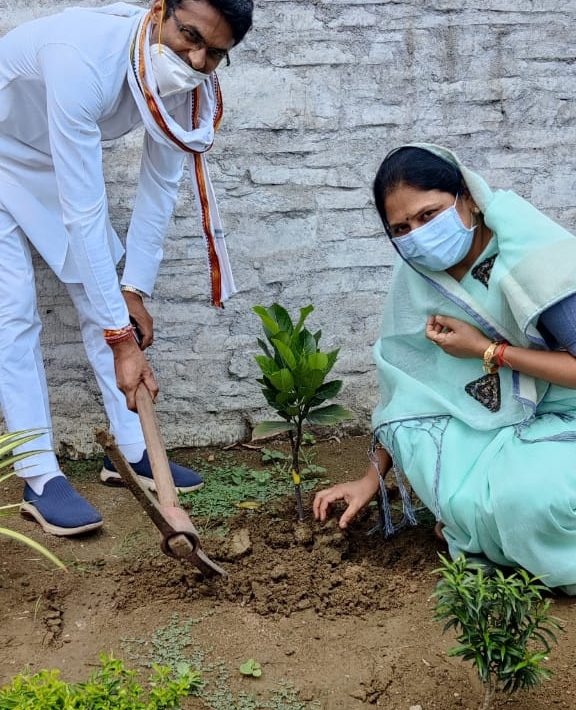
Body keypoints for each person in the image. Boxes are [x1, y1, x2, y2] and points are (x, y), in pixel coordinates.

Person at [0, 0, 253, 536]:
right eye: (190, 36)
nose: (196, 59)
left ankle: (131, 450)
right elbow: (83, 212)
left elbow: (160, 184)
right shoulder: (80, 58)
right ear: (160, 12)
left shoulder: (189, 86)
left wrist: (133, 288)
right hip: (6, 145)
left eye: (215, 53)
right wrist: (121, 339)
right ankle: (39, 474)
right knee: (13, 311)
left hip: (50, 158)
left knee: (107, 299)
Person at [314, 144, 576, 594]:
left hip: (565, 416)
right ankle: (485, 530)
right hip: (495, 427)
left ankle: (492, 536)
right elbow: (411, 389)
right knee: (455, 479)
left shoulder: (533, 255)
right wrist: (369, 480)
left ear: (467, 198)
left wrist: (488, 351)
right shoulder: (418, 275)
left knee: (535, 501)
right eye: (401, 228)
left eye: (429, 215)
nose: (417, 235)